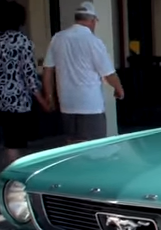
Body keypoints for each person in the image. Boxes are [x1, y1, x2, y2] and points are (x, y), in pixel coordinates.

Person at [42, 1, 125, 144]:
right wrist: (119, 89)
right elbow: (108, 73)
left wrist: (49, 95)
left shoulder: (58, 38)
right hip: (90, 105)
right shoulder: (93, 41)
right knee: (95, 149)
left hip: (67, 104)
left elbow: (47, 70)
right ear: (92, 21)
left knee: (72, 146)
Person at [0, 0, 50, 164]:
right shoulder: (22, 41)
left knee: (8, 140)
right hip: (16, 100)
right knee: (14, 142)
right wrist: (42, 100)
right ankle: (13, 178)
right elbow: (29, 75)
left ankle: (7, 171)